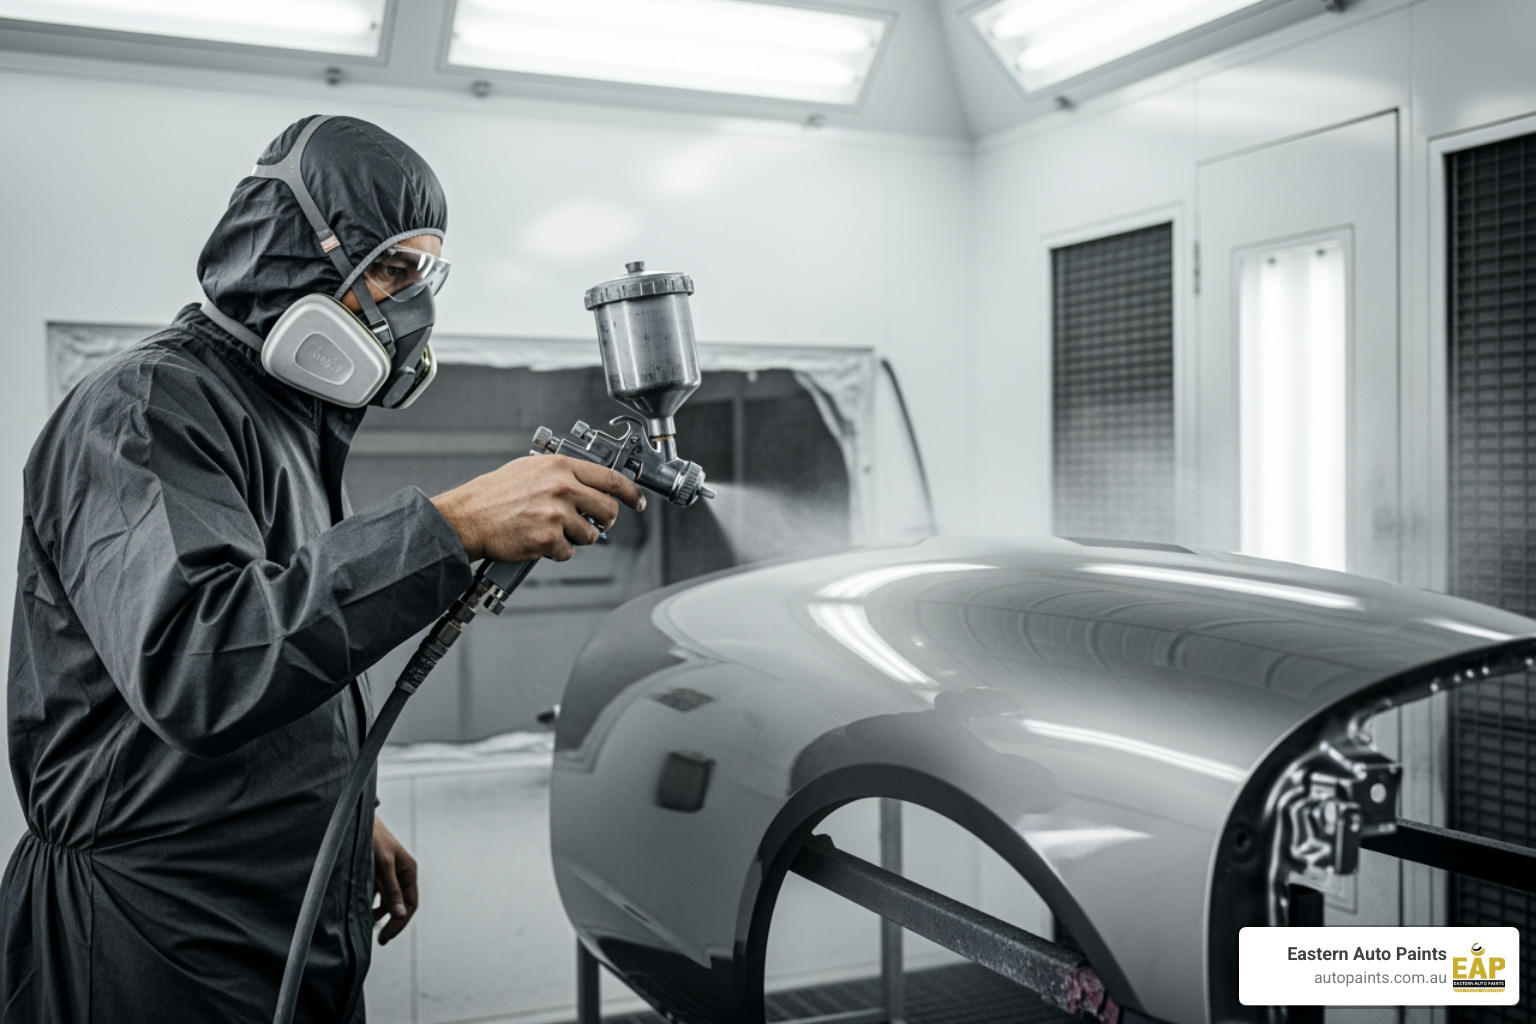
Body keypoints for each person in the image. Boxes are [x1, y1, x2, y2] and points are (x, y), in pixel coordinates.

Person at [1, 114, 643, 1023]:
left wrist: (336, 815)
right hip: (153, 938)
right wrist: (452, 525)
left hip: (281, 905)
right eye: (390, 271)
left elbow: (286, 642)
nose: (410, 311)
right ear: (292, 256)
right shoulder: (145, 409)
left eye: (423, 277)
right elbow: (201, 662)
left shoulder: (285, 426)